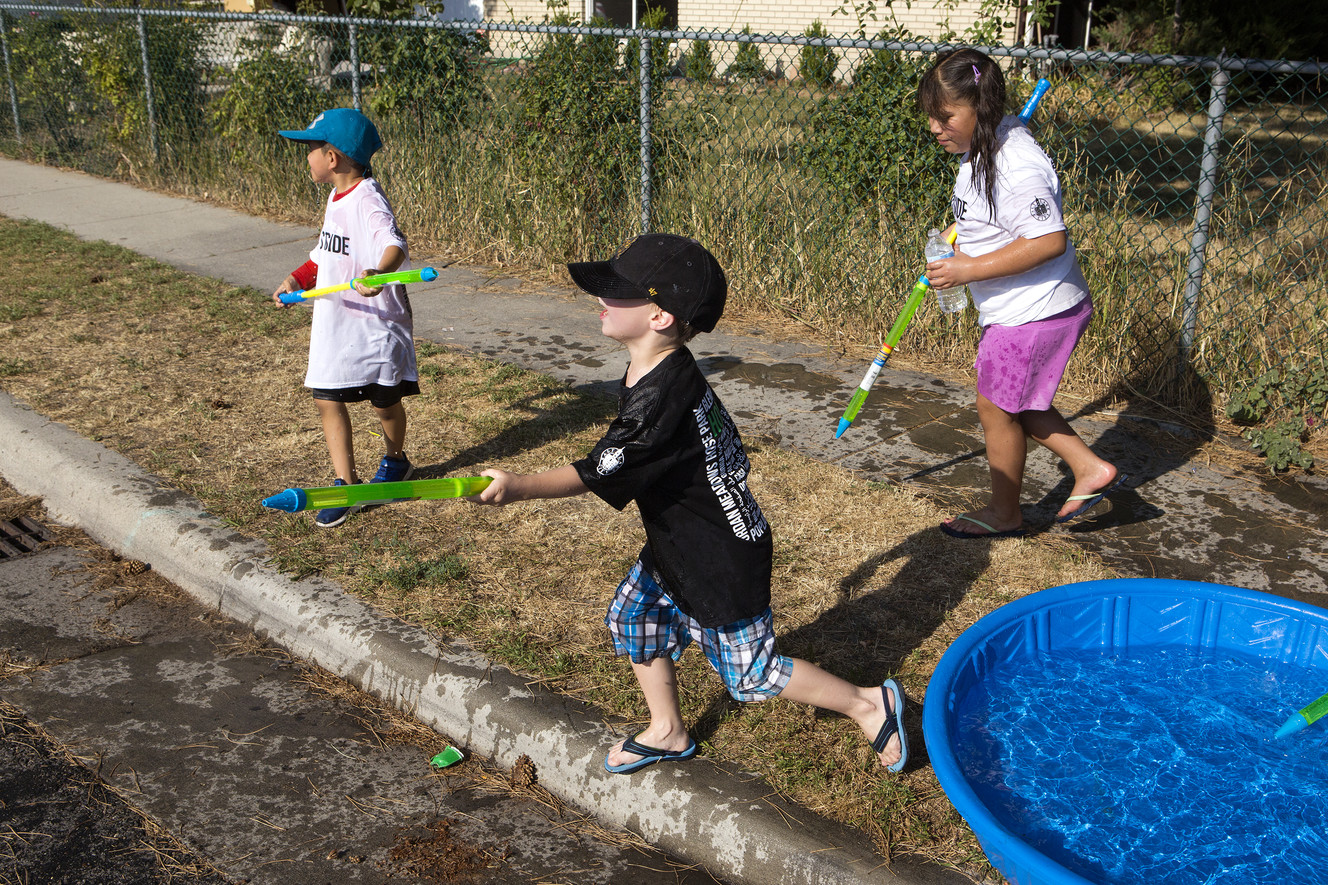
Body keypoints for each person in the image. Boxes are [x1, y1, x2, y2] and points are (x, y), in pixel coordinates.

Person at [470, 234, 908, 774]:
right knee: (636, 617)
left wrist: (518, 485)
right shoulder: (652, 370)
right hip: (680, 539)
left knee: (753, 675)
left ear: (659, 316)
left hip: (718, 554)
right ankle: (668, 730)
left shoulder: (662, 396)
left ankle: (868, 702)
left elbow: (600, 469)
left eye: (617, 293)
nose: (600, 299)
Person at [919, 49, 1125, 539]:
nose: (934, 127)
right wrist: (963, 228)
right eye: (931, 115)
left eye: (944, 116)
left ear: (980, 110)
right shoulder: (989, 140)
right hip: (1024, 307)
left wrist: (969, 267)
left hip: (1036, 309)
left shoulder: (1016, 162)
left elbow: (1048, 239)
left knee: (997, 404)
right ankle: (1089, 468)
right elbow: (998, 211)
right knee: (1020, 401)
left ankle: (1005, 513)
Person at [272, 108, 419, 528]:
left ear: (332, 158)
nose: (307, 158)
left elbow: (393, 244)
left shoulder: (368, 198)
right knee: (326, 398)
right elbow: (326, 253)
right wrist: (298, 278)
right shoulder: (335, 199)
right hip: (337, 324)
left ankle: (395, 461)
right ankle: (346, 482)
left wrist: (380, 271)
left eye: (310, 150)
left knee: (383, 403)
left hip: (372, 326)